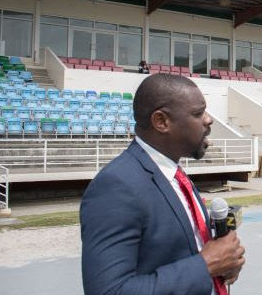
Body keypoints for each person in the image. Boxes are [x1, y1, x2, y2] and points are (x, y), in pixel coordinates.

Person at [80, 74, 245, 294]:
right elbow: (110, 291)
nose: (208, 120)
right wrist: (205, 266)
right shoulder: (116, 186)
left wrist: (222, 264)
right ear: (161, 121)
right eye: (198, 113)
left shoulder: (175, 175)